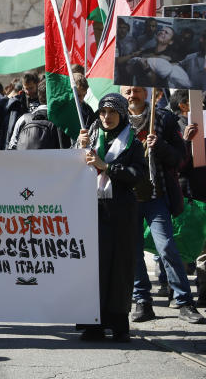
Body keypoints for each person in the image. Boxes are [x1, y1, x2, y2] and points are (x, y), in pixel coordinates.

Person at [120, 85, 206, 324]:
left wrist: (160, 146)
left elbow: (180, 159)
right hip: (127, 198)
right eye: (127, 91)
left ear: (146, 93)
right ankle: (142, 302)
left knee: (167, 247)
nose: (131, 96)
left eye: (136, 91)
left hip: (156, 196)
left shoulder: (164, 118)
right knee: (134, 252)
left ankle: (185, 303)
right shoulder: (114, 118)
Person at [76, 93, 145, 342]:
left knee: (119, 266)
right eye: (103, 112)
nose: (106, 117)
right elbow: (73, 169)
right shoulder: (89, 137)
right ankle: (92, 323)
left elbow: (138, 174)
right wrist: (78, 146)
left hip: (121, 212)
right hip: (91, 209)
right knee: (93, 266)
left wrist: (108, 167)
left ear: (122, 114)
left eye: (112, 112)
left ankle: (118, 323)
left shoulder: (133, 142)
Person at [7, 81, 71, 150]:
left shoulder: (23, 119)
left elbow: (12, 147)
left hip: (24, 160)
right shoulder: (62, 122)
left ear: (39, 96)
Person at [2, 72, 40, 146]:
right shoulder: (18, 102)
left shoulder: (43, 100)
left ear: (37, 85)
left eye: (31, 88)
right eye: (26, 88)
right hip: (22, 140)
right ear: (23, 87)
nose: (28, 92)